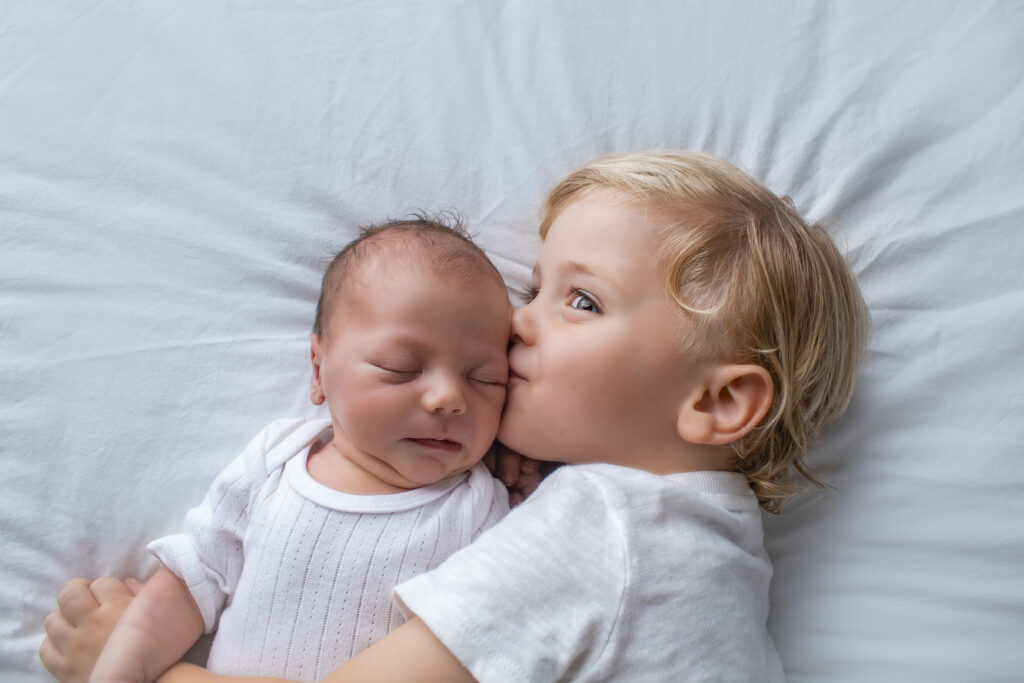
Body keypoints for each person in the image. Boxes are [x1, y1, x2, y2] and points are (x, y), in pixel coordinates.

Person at [43, 150, 870, 682]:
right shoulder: (714, 551)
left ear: (716, 401)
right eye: (534, 287)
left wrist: (139, 667)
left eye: (581, 299)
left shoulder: (605, 529)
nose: (518, 321)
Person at [41, 216, 516, 683]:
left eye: (485, 379)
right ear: (318, 369)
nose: (449, 398)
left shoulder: (481, 509)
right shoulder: (275, 462)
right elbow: (192, 580)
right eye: (400, 367)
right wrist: (127, 664)